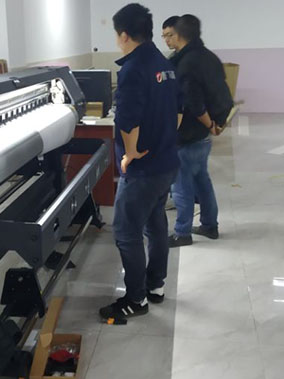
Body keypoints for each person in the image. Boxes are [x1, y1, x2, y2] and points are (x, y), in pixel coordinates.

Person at [99, 3, 180, 320]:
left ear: (123, 35)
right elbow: (178, 111)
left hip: (144, 169)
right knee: (155, 224)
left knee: (126, 231)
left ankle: (136, 299)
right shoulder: (164, 63)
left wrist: (130, 153)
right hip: (166, 161)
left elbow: (127, 120)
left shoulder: (133, 69)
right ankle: (155, 286)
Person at [168, 14, 233, 248]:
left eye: (170, 35)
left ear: (179, 35)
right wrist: (216, 124)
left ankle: (182, 233)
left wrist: (208, 124)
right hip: (204, 135)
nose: (167, 39)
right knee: (201, 179)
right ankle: (209, 225)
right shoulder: (210, 57)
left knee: (182, 185)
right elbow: (223, 93)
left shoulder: (186, 63)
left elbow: (193, 103)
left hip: (189, 133)